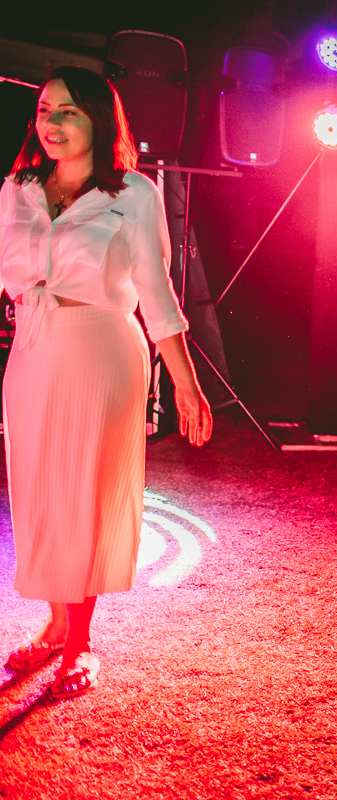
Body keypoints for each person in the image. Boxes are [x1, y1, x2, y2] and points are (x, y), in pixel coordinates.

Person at [0, 67, 213, 699]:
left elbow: (158, 295)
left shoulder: (134, 194)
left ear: (98, 118)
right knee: (38, 490)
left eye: (68, 112)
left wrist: (186, 384)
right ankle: (56, 621)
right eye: (45, 111)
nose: (53, 123)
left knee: (85, 491)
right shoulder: (16, 188)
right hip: (34, 350)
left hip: (102, 350)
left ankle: (80, 642)